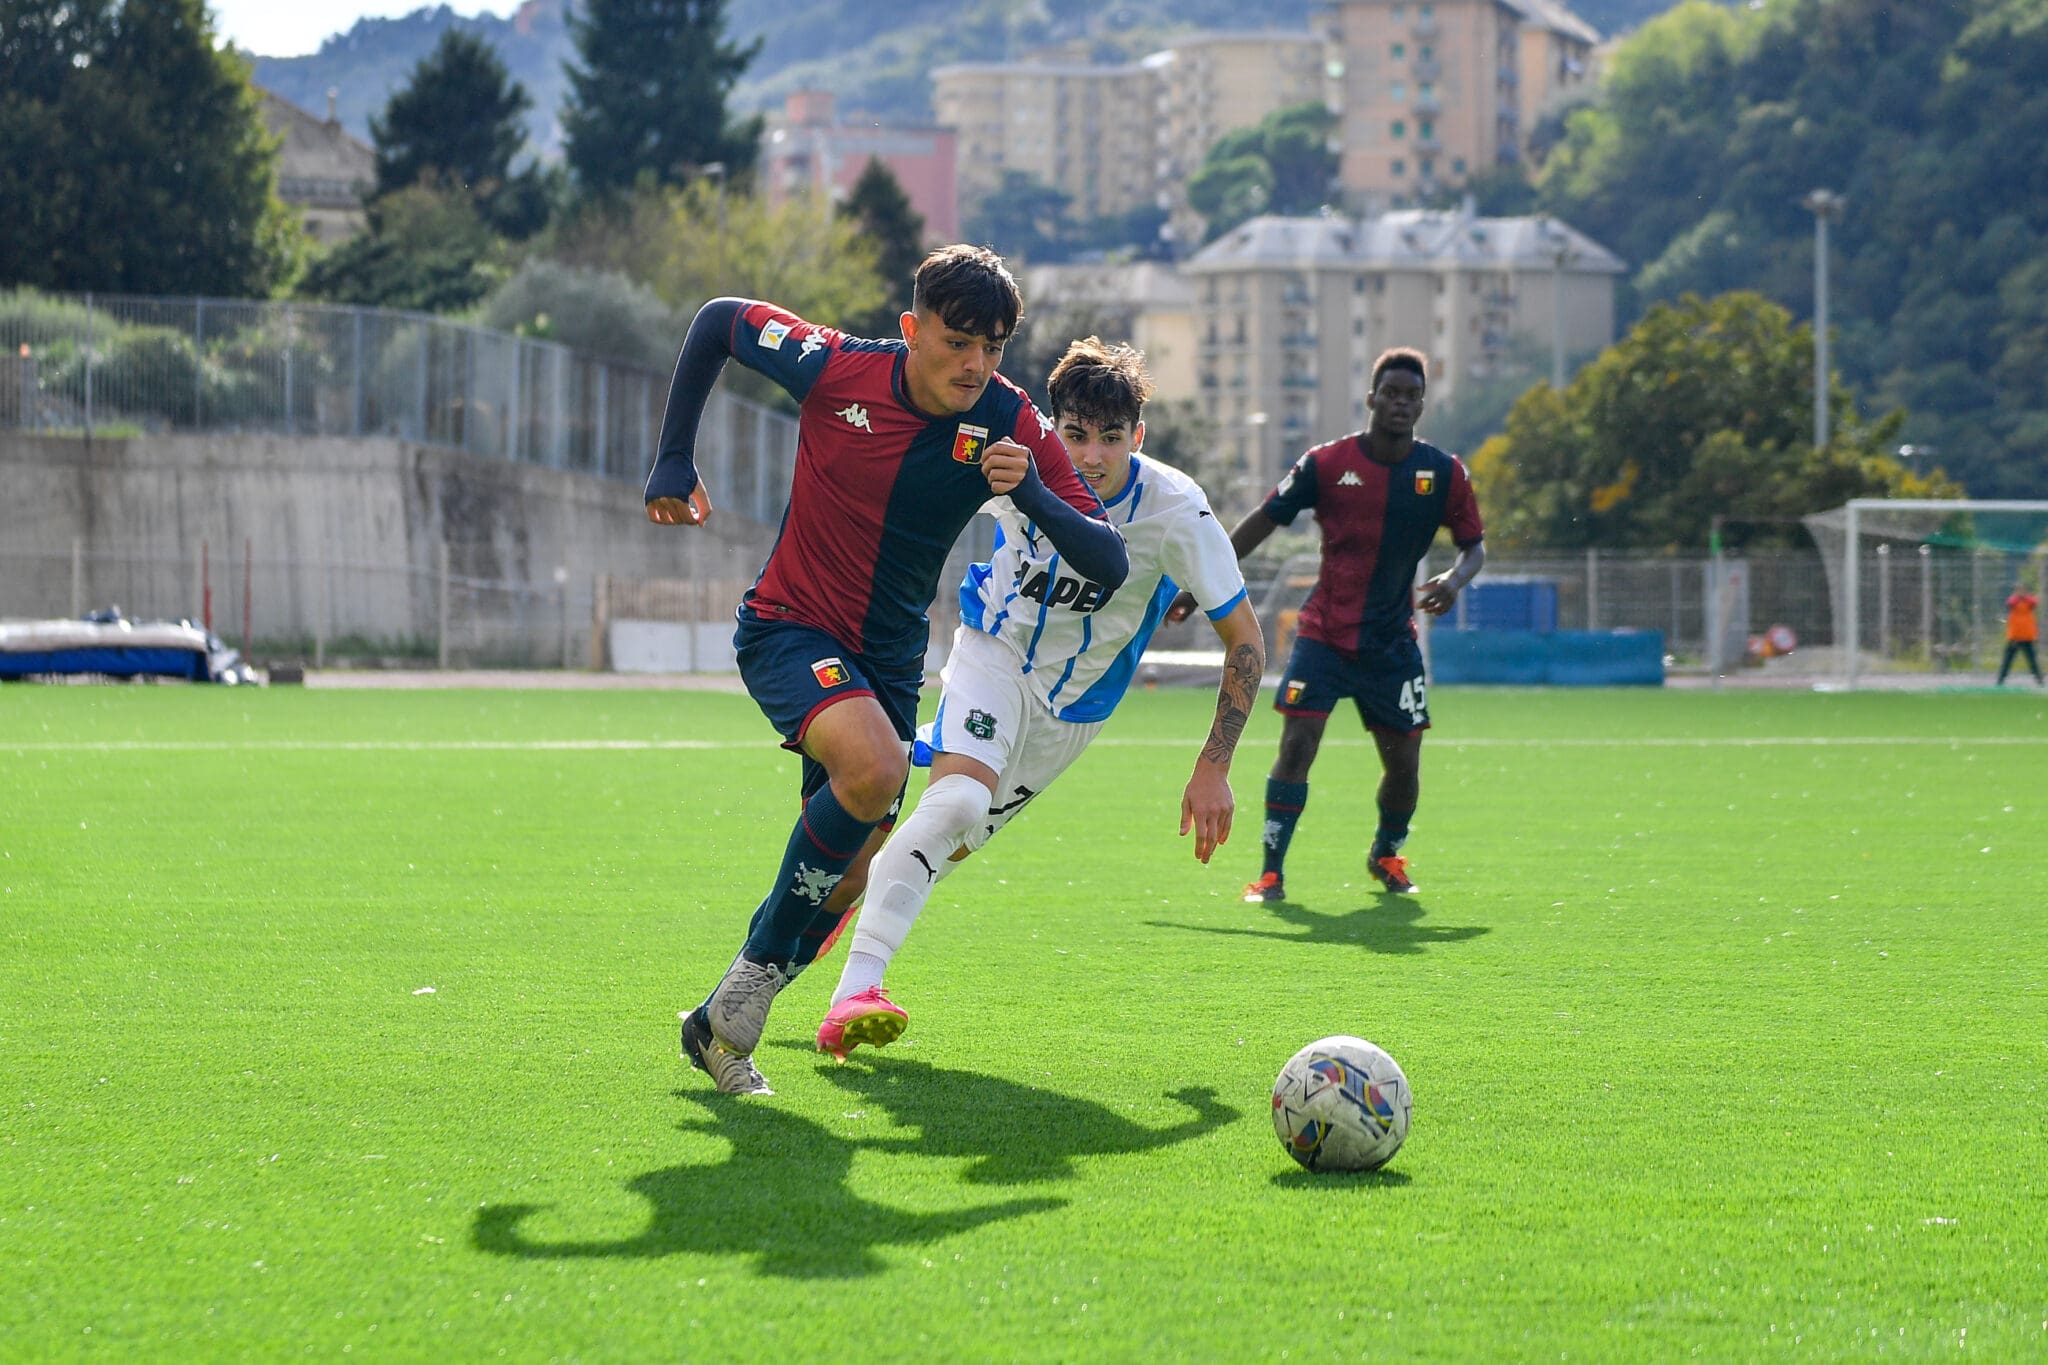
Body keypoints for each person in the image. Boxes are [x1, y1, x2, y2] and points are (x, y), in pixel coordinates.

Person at [644, 246, 1130, 1094]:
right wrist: (673, 457)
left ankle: (717, 1024)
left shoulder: (1013, 424)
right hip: (789, 627)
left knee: (856, 869)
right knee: (873, 769)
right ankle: (752, 987)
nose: (975, 363)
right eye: (957, 341)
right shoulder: (835, 367)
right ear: (912, 330)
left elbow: (1110, 559)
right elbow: (721, 318)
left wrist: (1036, 497)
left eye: (993, 346)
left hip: (889, 664)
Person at [814, 336, 1266, 1061]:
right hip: (991, 653)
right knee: (955, 807)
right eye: (1076, 435)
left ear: (1137, 437)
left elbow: (1246, 639)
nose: (1090, 456)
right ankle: (848, 995)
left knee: (924, 851)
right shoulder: (1018, 454)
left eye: (1111, 439)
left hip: (1070, 716)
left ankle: (796, 945)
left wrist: (1215, 764)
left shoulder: (1177, 511)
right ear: (1055, 427)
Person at [1169, 347, 1483, 903]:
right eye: (1391, 393)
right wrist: (1200, 586)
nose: (1400, 404)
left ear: (1421, 404)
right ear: (1371, 398)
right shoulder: (1327, 464)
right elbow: (1263, 521)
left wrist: (1454, 584)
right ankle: (1271, 874)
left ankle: (1386, 853)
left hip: (1392, 644)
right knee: (1296, 748)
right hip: (1324, 636)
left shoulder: (1442, 473)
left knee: (1405, 763)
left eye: (1412, 396)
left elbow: (1474, 549)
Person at [1997, 584, 2042, 686]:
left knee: (2032, 661)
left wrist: (2025, 597)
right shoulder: (2014, 602)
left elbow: (2034, 602)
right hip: (2015, 637)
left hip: (2026, 637)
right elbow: (2009, 603)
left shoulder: (2029, 602)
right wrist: (2018, 597)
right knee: (2007, 660)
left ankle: (2039, 681)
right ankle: (2000, 681)